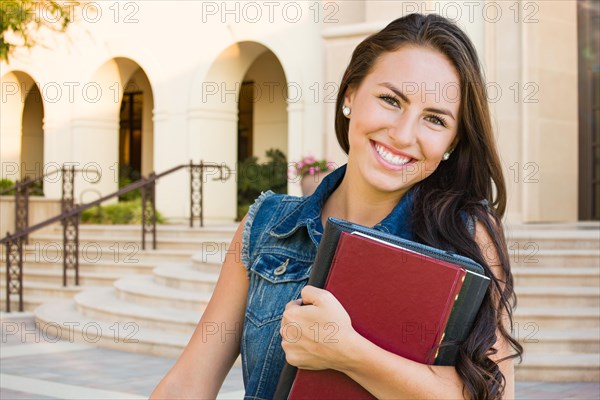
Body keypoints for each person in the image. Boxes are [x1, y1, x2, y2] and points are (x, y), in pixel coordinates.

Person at [151, 13, 522, 400]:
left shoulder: (467, 235)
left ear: (452, 143)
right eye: (390, 100)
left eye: (434, 119)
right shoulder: (265, 225)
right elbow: (188, 383)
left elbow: (494, 394)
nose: (403, 133)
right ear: (350, 96)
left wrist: (348, 353)